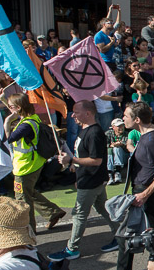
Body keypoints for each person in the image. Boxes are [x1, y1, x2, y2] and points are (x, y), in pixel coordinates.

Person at [102, 102, 154, 270]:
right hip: (141, 191)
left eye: (126, 115)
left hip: (143, 193)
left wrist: (144, 194)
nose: (123, 119)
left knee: (126, 235)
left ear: (137, 119)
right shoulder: (144, 135)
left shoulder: (152, 139)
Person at [48, 100, 118, 260]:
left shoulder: (94, 133)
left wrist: (72, 161)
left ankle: (72, 249)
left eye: (76, 112)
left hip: (91, 180)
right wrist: (75, 167)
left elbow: (96, 160)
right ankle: (120, 234)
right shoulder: (85, 130)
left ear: (88, 113)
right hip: (89, 178)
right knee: (102, 207)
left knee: (79, 214)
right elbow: (84, 156)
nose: (72, 116)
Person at [2, 93, 65, 231]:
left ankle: (29, 229)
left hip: (25, 167)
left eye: (11, 107)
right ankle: (52, 212)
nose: (9, 109)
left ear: (18, 108)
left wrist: (7, 122)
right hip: (33, 163)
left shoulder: (25, 126)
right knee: (28, 192)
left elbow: (8, 138)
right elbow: (17, 112)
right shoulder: (31, 118)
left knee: (23, 199)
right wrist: (2, 98)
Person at [106, 117, 129, 185]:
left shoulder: (127, 134)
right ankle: (110, 174)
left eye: (122, 125)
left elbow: (128, 146)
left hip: (124, 157)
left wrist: (121, 144)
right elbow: (103, 145)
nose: (121, 127)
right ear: (113, 127)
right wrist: (110, 146)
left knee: (117, 148)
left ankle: (118, 171)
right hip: (111, 158)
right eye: (118, 126)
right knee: (110, 150)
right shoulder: (108, 134)